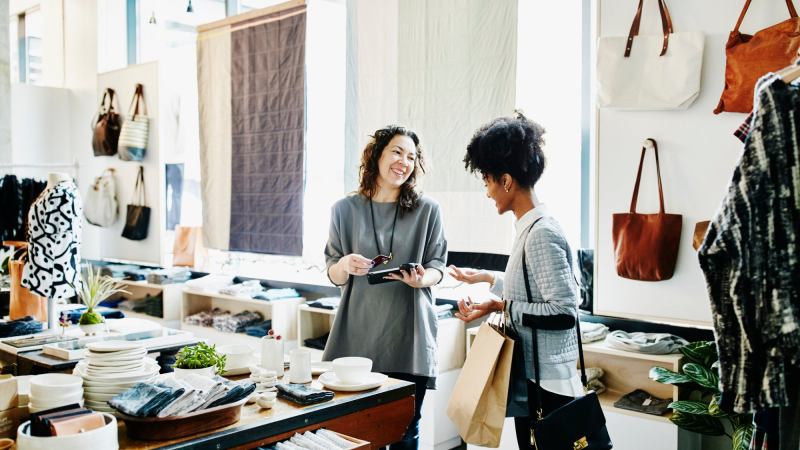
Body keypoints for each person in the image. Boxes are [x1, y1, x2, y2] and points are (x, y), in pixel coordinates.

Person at [449, 113, 581, 450]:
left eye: (487, 181)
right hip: (538, 377)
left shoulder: (540, 234)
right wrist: (488, 279)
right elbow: (532, 284)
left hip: (549, 386)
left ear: (506, 181)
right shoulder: (531, 228)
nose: (487, 192)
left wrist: (500, 305)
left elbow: (563, 312)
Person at [323, 125, 447, 450]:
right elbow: (333, 273)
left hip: (410, 336)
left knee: (405, 430)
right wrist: (344, 265)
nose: (404, 162)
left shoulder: (428, 210)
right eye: (397, 152)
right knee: (359, 432)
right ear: (377, 155)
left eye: (411, 157)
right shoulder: (344, 210)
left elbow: (438, 267)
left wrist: (422, 279)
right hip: (358, 337)